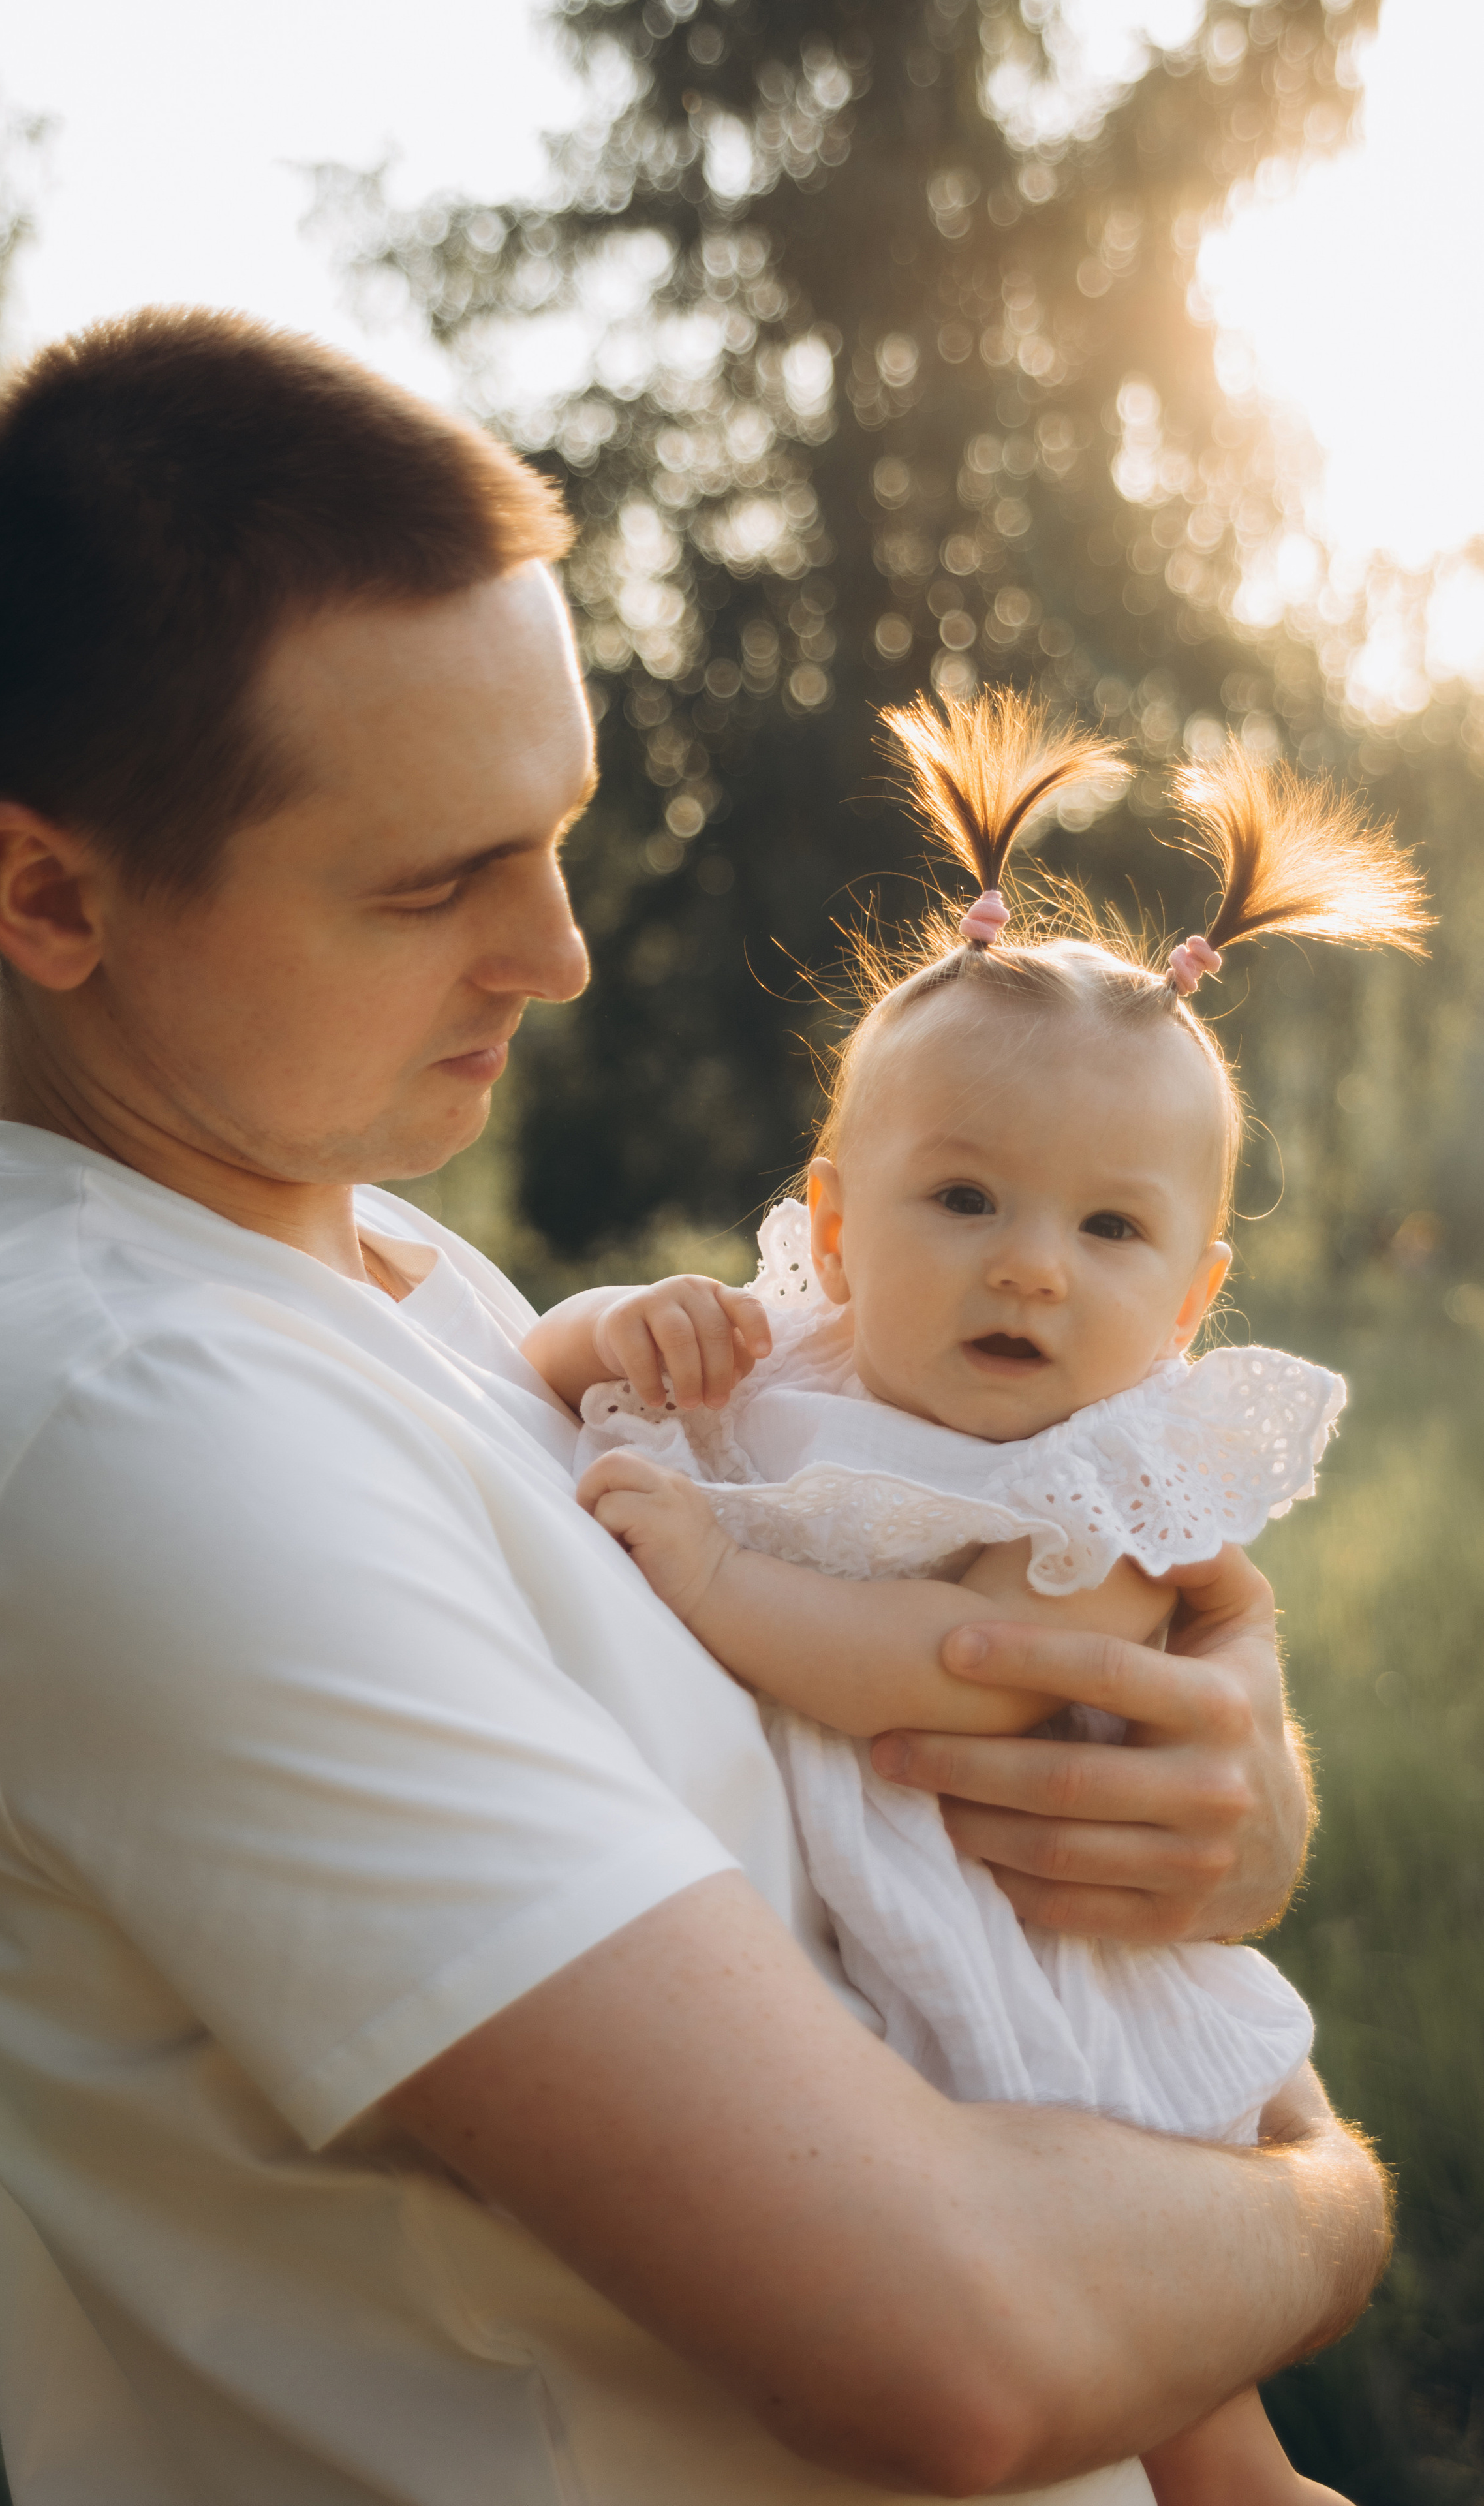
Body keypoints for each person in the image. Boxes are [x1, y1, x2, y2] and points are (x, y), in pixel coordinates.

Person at [0, 309, 1387, 2506]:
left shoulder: (366, 1260)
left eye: (552, 829)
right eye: (429, 875)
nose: (555, 950)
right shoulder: (131, 1439)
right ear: (51, 895)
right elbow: (952, 2352)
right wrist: (1323, 2194)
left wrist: (1220, 1797)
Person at [530, 696, 1430, 2502]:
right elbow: (553, 1371)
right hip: (848, 1939)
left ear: (1191, 1298)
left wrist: (710, 1572)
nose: (1030, 1262)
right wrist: (611, 1327)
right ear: (842, 1221)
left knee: (1188, 2392)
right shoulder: (788, 1357)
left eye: (1110, 1231)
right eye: (963, 1196)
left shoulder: (1103, 1485)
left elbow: (981, 1674)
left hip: (1044, 1933)